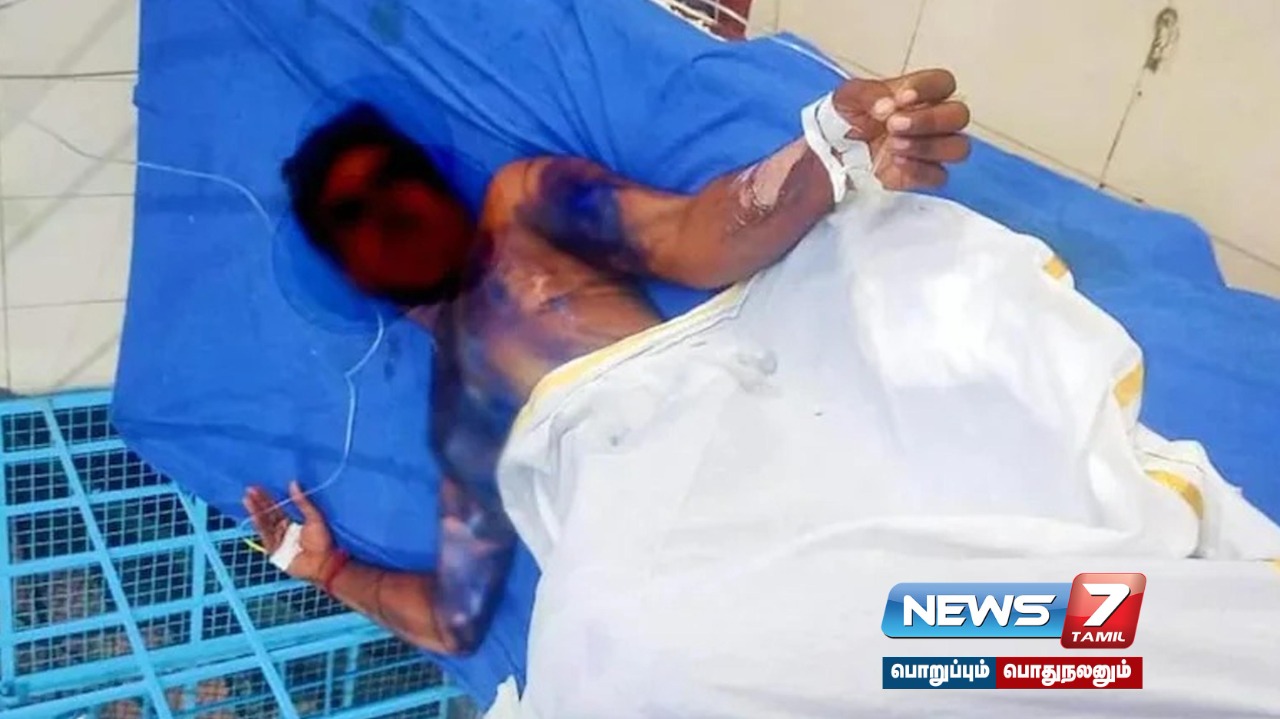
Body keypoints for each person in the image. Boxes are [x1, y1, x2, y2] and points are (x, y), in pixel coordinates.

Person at [242, 69, 971, 656]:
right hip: (665, 603)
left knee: (990, 631)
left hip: (753, 468)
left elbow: (693, 236)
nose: (385, 209)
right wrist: (329, 571)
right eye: (351, 214)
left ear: (433, 180)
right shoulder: (461, 416)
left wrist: (823, 157)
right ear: (351, 271)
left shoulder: (523, 214)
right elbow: (453, 620)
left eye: (392, 178)